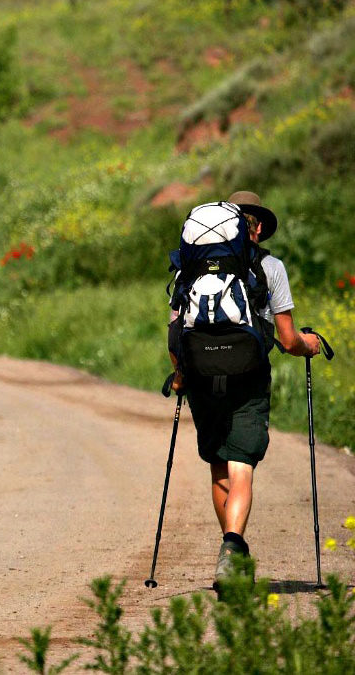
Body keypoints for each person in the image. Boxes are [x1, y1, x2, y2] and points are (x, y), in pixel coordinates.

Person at [169, 191, 321, 592]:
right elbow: (288, 341)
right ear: (254, 226)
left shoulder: (191, 268)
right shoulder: (270, 267)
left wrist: (182, 376)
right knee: (242, 467)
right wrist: (312, 343)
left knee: (220, 464)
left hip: (202, 377)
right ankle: (233, 548)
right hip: (248, 378)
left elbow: (176, 330)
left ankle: (231, 554)